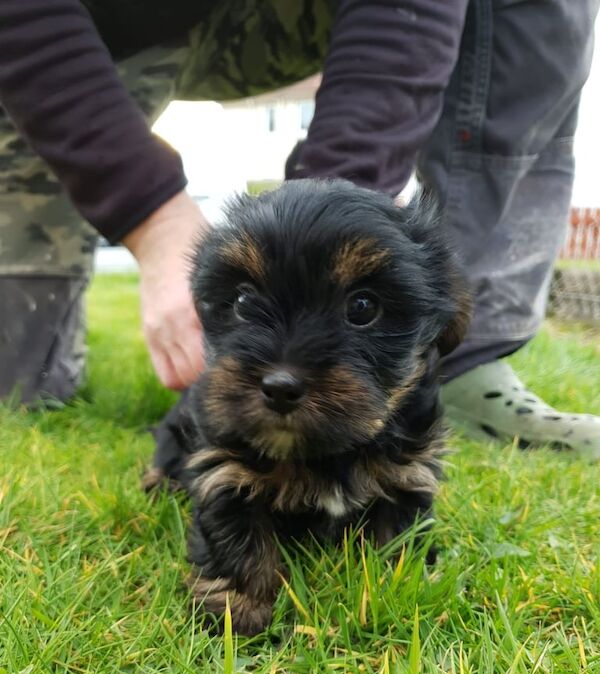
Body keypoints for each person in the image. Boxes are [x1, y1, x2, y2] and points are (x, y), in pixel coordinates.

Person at [1, 0, 599, 458]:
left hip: (293, 18)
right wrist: (153, 221)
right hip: (81, 31)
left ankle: (466, 360)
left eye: (360, 306)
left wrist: (340, 214)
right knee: (18, 387)